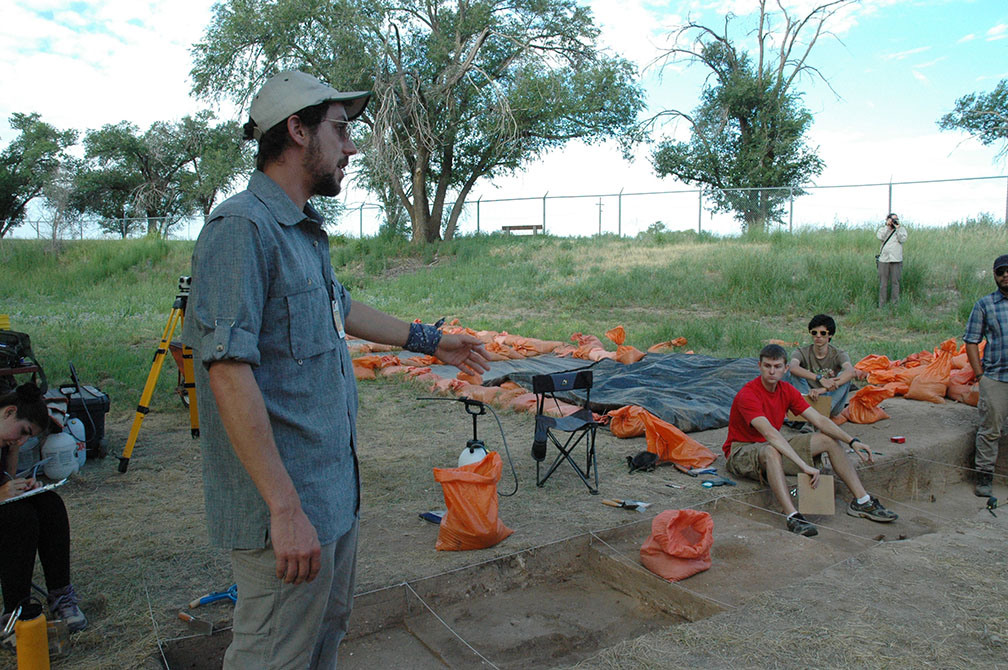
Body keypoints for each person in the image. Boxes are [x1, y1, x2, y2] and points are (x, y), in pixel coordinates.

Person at [181, 70, 490, 670]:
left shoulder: (300, 232)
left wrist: (431, 341)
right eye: (341, 130)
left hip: (329, 499)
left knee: (322, 640)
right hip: (287, 511)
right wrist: (284, 509)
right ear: (296, 130)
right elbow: (226, 373)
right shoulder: (240, 230)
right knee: (273, 656)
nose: (351, 147)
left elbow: (338, 305)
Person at [723, 344, 898, 537]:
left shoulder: (787, 390)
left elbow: (819, 419)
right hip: (742, 451)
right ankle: (792, 516)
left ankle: (862, 501)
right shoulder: (748, 394)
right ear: (759, 366)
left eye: (777, 366)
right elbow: (771, 434)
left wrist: (852, 441)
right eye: (767, 366)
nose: (772, 371)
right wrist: (803, 465)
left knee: (827, 440)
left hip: (770, 445)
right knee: (772, 450)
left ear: (785, 368)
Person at [0, 383, 87, 632]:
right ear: (9, 412)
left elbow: (6, 477)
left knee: (50, 504)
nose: (22, 440)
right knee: (19, 517)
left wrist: (19, 485)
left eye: (29, 438)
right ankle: (16, 613)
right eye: (24, 431)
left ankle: (61, 595)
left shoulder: (5, 439)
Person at [963, 254, 1008, 497]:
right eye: (1001, 271)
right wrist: (981, 376)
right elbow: (971, 341)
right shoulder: (985, 305)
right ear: (994, 275)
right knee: (990, 430)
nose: (1005, 275)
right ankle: (984, 477)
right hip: (996, 377)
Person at [786, 314, 867, 418]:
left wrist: (823, 390)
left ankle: (815, 417)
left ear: (830, 335)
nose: (818, 336)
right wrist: (819, 378)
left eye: (823, 333)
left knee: (845, 376)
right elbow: (793, 367)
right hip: (808, 398)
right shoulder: (801, 352)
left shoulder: (838, 354)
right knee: (794, 372)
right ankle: (813, 415)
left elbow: (850, 371)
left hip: (830, 400)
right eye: (814, 333)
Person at [876, 212, 907, 307]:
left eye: (896, 219)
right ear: (888, 220)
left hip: (896, 259)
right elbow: (880, 237)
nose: (894, 221)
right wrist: (887, 227)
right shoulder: (882, 229)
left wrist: (898, 229)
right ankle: (882, 304)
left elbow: (903, 239)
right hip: (884, 260)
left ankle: (895, 304)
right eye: (892, 219)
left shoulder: (901, 230)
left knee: (895, 282)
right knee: (883, 283)